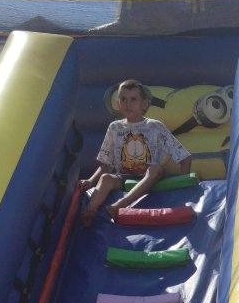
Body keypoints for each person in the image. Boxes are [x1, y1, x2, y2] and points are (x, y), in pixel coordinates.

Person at [81, 79, 193, 224]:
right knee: (106, 178)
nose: (128, 104)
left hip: (150, 177)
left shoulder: (154, 126)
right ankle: (89, 213)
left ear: (144, 104)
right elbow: (106, 164)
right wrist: (90, 181)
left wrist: (183, 188)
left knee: (155, 169)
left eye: (133, 99)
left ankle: (119, 205)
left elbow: (185, 157)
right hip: (123, 177)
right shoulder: (115, 128)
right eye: (123, 99)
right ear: (118, 104)